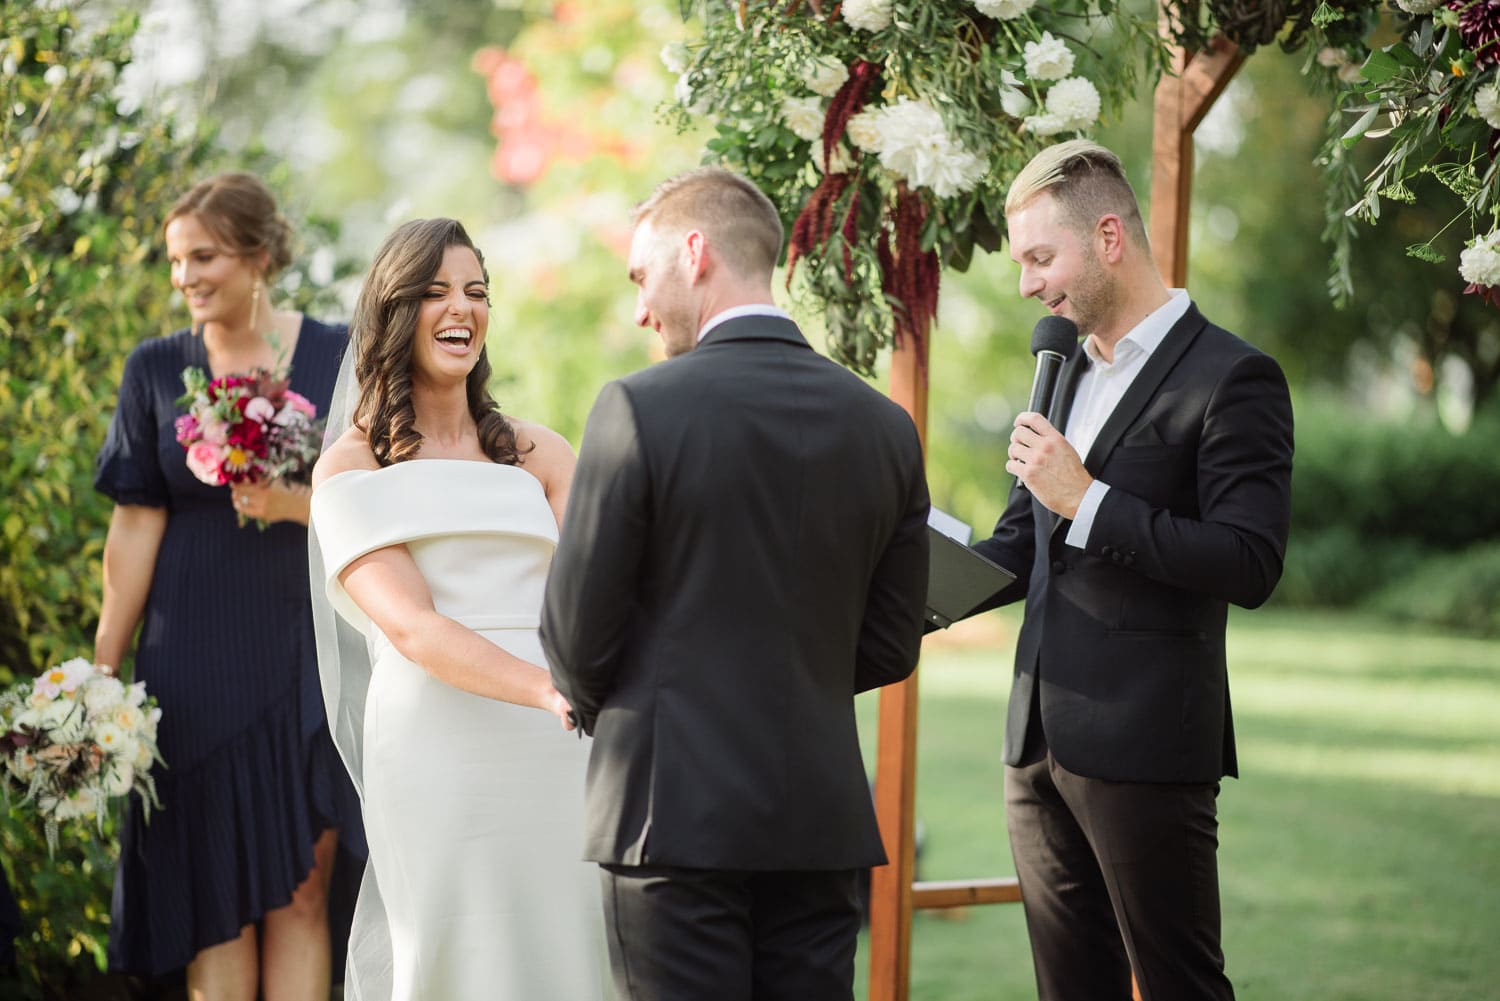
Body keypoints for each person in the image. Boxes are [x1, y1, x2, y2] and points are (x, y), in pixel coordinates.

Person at [540, 167, 931, 1001]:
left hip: (668, 812)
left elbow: (576, 635)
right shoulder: (886, 428)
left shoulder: (638, 408)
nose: (641, 309)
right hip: (819, 820)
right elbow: (893, 642)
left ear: (696, 251)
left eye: (642, 279)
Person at [966, 139, 1295, 1000]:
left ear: (1109, 237)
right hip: (1034, 740)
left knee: (1182, 984)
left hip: (1148, 741)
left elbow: (1251, 561)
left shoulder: (1234, 377)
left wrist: (1092, 500)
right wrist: (905, 583)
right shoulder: (1060, 369)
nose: (1029, 283)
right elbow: (1017, 543)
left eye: (1042, 257)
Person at [308, 217, 608, 1000]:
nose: (462, 309)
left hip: (559, 744)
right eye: (437, 291)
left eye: (477, 292)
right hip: (440, 739)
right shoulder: (350, 464)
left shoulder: (543, 453)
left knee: (568, 935)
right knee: (456, 945)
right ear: (394, 311)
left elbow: (597, 594)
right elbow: (411, 625)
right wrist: (548, 689)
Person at [92, 172, 364, 999]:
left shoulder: (337, 355)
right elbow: (136, 522)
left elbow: (377, 505)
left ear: (258, 254)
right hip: (191, 661)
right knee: (215, 899)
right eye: (176, 262)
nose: (186, 278)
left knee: (302, 889)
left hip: (305, 650)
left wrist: (292, 504)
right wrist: (103, 666)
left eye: (202, 256)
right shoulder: (154, 368)